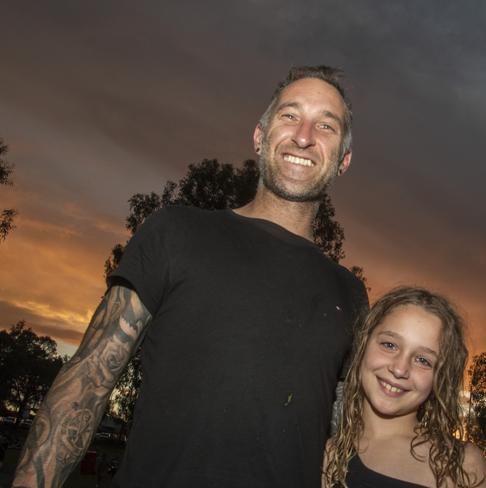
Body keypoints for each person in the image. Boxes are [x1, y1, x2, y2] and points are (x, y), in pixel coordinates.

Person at [12, 65, 366, 488]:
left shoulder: (350, 293)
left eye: (325, 125)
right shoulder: (176, 231)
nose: (304, 135)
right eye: (290, 115)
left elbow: (344, 437)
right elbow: (88, 379)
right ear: (259, 136)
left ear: (343, 160)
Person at [323, 286, 486, 488]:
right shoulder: (330, 457)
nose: (400, 369)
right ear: (363, 343)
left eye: (423, 360)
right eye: (389, 345)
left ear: (439, 378)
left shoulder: (462, 465)